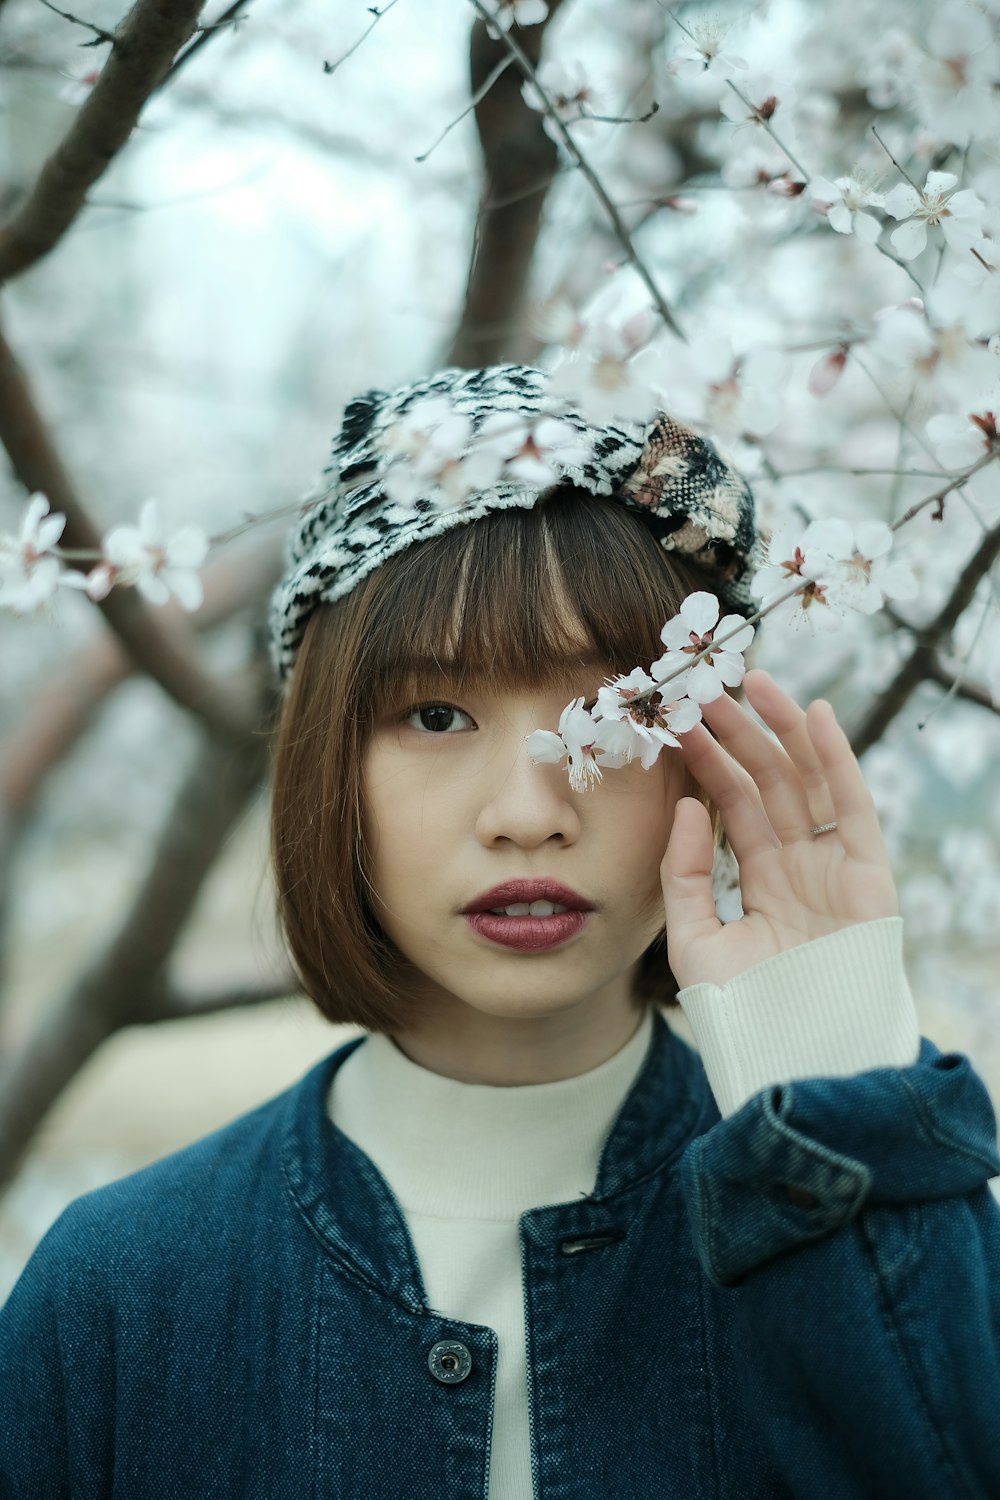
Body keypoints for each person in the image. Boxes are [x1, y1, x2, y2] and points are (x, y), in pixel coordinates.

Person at [2, 362, 999, 1498]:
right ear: (330, 765)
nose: (529, 812)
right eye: (436, 715)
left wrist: (837, 1091)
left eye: (616, 712)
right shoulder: (124, 1295)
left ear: (701, 754)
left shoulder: (871, 1233)